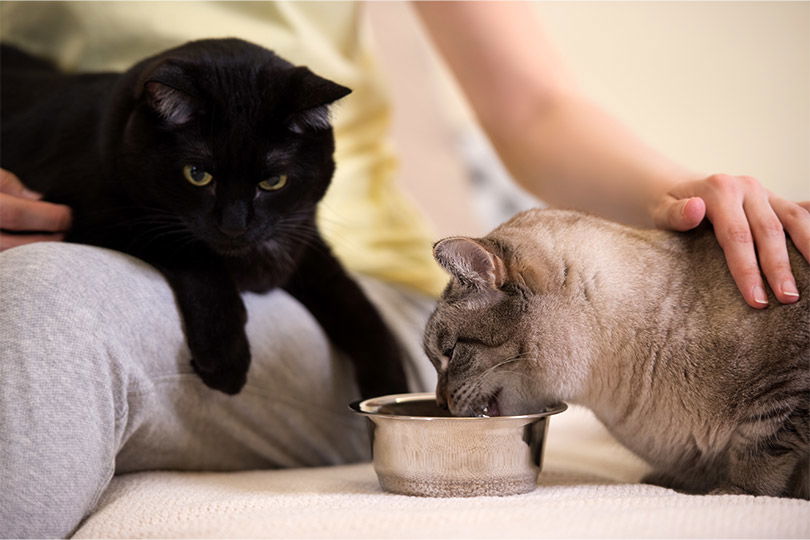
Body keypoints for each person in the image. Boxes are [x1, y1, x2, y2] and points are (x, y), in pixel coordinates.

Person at [0, 2, 807, 537]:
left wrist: (689, 203)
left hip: (341, 303)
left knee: (47, 306)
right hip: (81, 231)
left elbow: (535, 108)